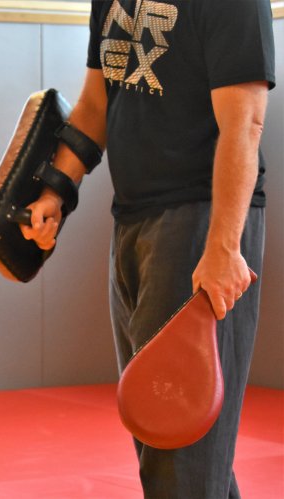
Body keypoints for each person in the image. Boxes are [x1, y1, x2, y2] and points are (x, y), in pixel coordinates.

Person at [20, 0, 275, 497]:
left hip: (202, 221)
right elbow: (96, 105)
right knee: (166, 435)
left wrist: (224, 247)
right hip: (132, 221)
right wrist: (56, 191)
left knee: (180, 449)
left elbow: (244, 123)